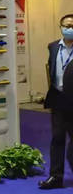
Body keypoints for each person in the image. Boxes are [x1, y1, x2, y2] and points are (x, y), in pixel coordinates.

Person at [39, 13, 73, 190]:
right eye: (66, 26)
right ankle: (56, 177)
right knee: (57, 139)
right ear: (60, 27)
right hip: (58, 100)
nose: (69, 29)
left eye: (72, 26)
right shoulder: (53, 47)